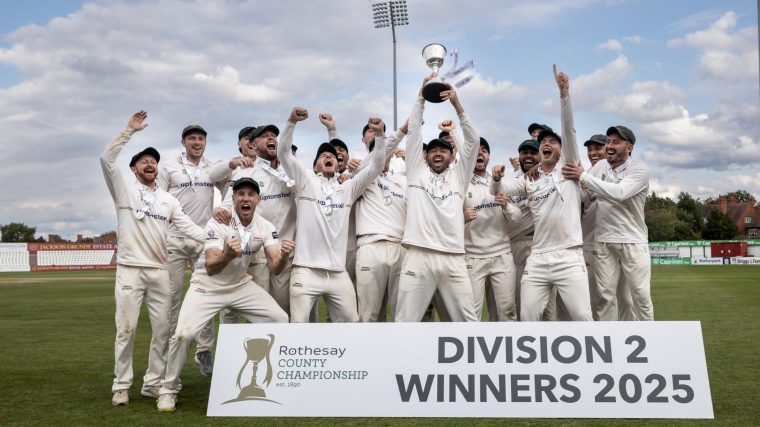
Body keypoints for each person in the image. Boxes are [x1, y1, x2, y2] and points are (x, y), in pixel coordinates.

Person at [157, 177, 290, 412]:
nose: (245, 198)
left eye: (251, 194)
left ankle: (268, 377)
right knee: (183, 334)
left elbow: (275, 267)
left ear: (258, 200)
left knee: (280, 319)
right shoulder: (217, 224)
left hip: (240, 285)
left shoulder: (266, 227)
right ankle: (168, 389)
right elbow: (210, 266)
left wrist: (285, 256)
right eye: (240, 194)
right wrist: (228, 255)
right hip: (206, 286)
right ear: (233, 199)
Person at [100, 111, 204, 406]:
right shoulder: (123, 191)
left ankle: (153, 383)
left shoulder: (168, 201)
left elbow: (190, 229)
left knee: (163, 331)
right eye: (144, 161)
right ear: (133, 169)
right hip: (130, 270)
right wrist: (128, 131)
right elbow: (106, 160)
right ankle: (121, 385)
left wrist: (218, 239)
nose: (150, 163)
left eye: (154, 161)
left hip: (160, 272)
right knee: (127, 329)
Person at [491, 66, 592, 322]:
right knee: (528, 317)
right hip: (537, 258)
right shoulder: (529, 179)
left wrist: (564, 94)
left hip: (569, 255)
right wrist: (496, 179)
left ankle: (593, 363)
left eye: (552, 142)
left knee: (581, 316)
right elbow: (500, 190)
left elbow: (569, 130)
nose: (547, 144)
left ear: (562, 150)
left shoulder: (569, 169)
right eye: (543, 143)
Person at [277, 109, 390, 323]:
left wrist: (381, 135)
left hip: (337, 273)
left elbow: (375, 166)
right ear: (314, 165)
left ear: (339, 165)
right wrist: (291, 121)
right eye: (323, 155)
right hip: (306, 270)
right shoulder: (305, 183)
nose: (328, 156)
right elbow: (283, 154)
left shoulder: (348, 187)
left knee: (352, 323)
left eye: (332, 155)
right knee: (299, 326)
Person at [157, 124, 246, 377]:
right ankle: (167, 354)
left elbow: (231, 190)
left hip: (203, 239)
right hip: (173, 238)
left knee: (206, 295)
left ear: (205, 143)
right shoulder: (169, 167)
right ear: (183, 142)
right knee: (172, 299)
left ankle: (204, 351)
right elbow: (158, 201)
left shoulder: (212, 168)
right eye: (192, 139)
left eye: (201, 139)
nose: (197, 142)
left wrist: (224, 210)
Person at [394, 75, 480, 322]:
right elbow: (413, 132)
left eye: (443, 149)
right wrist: (421, 95)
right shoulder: (416, 171)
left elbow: (473, 141)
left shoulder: (460, 177)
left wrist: (457, 104)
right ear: (425, 155)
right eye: (433, 150)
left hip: (453, 256)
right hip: (418, 255)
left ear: (452, 155)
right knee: (405, 322)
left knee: (468, 323)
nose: (438, 153)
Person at [562, 126, 653, 321]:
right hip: (603, 241)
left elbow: (620, 193)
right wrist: (567, 186)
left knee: (640, 297)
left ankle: (650, 340)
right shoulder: (600, 167)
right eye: (609, 142)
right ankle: (609, 343)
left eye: (616, 142)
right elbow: (587, 195)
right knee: (604, 297)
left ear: (629, 148)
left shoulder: (639, 169)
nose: (610, 146)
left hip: (633, 241)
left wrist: (583, 176)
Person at [354, 121, 409, 321]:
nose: (379, 155)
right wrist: (402, 130)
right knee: (368, 315)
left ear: (392, 153)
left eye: (384, 151)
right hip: (371, 246)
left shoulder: (403, 180)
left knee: (401, 314)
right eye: (374, 152)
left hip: (400, 247)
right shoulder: (361, 177)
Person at [463, 137, 520, 321]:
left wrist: (507, 206)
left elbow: (517, 218)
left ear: (488, 157)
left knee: (507, 312)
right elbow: (447, 220)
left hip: (501, 255)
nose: (480, 153)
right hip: (472, 257)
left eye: (484, 151)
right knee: (471, 314)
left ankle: (505, 349)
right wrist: (461, 218)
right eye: (476, 151)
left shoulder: (500, 183)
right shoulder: (461, 184)